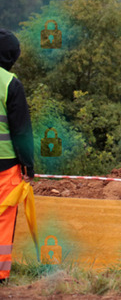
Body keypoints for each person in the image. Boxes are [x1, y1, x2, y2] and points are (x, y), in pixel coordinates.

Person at [0, 29, 35, 283]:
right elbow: (21, 130)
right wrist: (28, 165)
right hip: (5, 167)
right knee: (3, 219)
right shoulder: (10, 83)